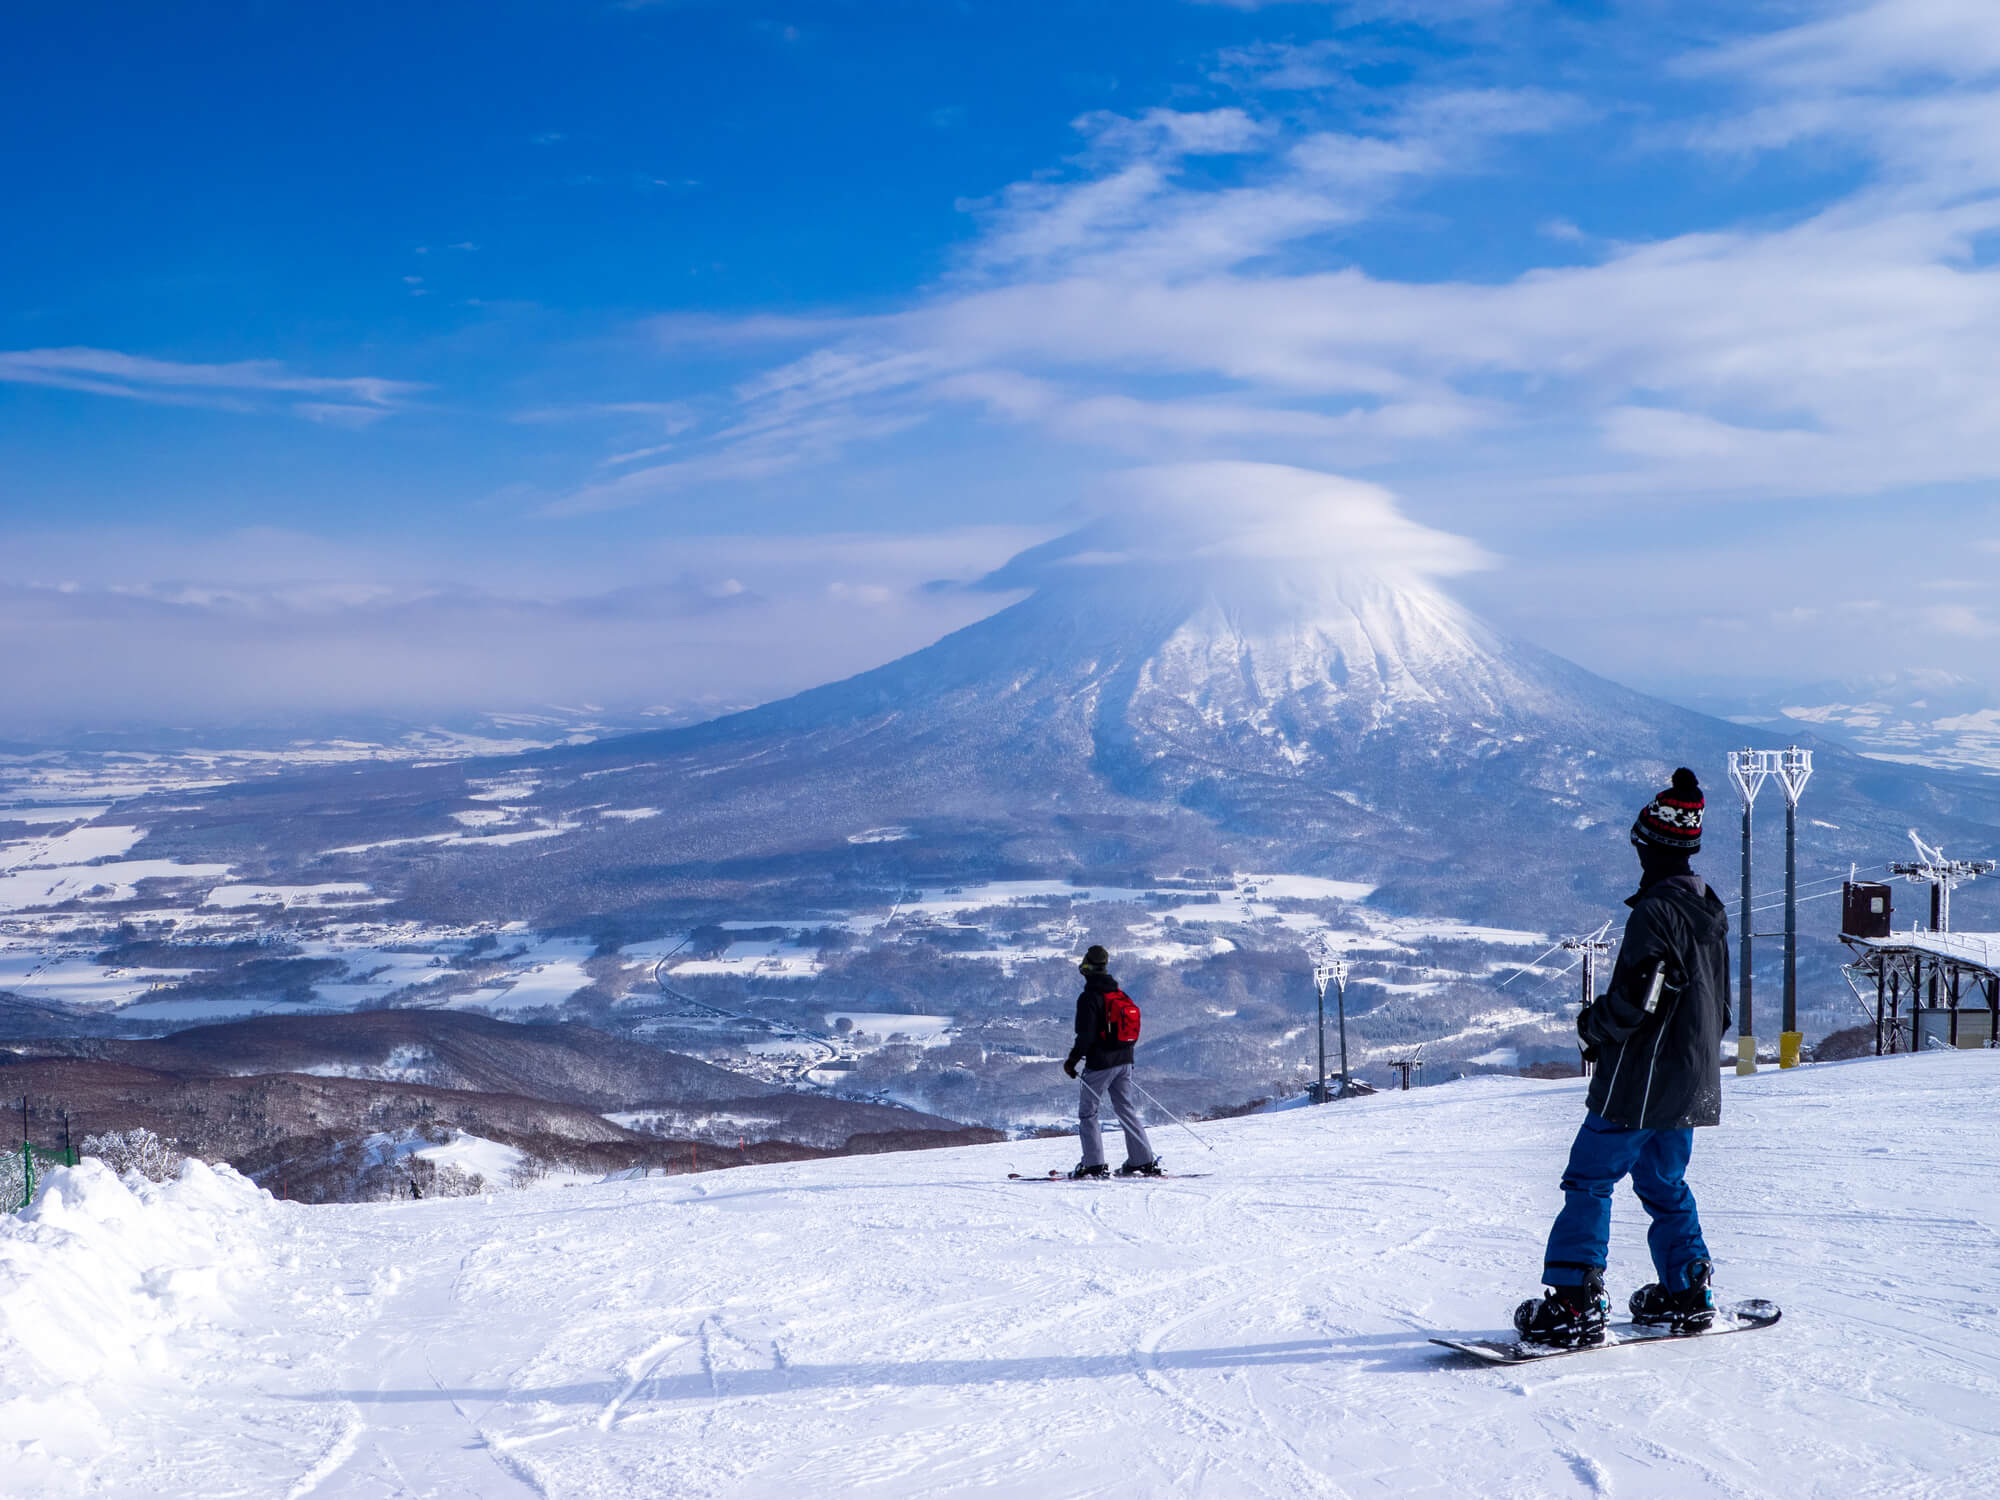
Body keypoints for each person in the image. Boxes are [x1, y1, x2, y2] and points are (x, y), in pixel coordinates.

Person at [1514, 767, 1732, 1347]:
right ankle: (1688, 1290)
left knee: (1589, 1178)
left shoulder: (1655, 912)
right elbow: (1722, 1006)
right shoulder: (1709, 907)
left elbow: (1637, 998)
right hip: (1692, 1078)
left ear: (1651, 845)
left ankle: (1575, 1300)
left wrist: (1594, 1025)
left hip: (1640, 1080)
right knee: (1665, 1183)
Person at [1063, 945, 1161, 1179]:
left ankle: (1093, 1164)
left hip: (1100, 1064)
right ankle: (1142, 1160)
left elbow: (1084, 1036)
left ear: (1086, 966)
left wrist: (1072, 1061)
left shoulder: (1089, 998)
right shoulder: (1119, 994)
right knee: (1125, 1109)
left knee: (1088, 1113)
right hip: (1125, 1061)